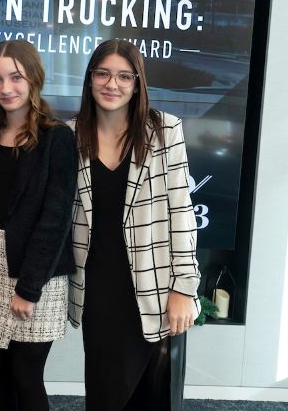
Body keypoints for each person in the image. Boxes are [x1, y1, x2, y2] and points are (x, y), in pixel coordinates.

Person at [68, 39, 200, 410]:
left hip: (156, 288)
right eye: (103, 73)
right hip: (98, 291)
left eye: (125, 76)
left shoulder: (164, 130)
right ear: (90, 79)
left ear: (138, 83)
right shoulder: (70, 134)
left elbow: (182, 212)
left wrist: (184, 289)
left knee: (155, 398)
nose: (113, 84)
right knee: (106, 395)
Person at [0, 40, 77, 410]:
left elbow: (56, 218)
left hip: (37, 274)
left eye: (15, 77)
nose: (6, 88)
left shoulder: (57, 138)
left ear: (34, 79)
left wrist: (29, 288)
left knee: (26, 376)